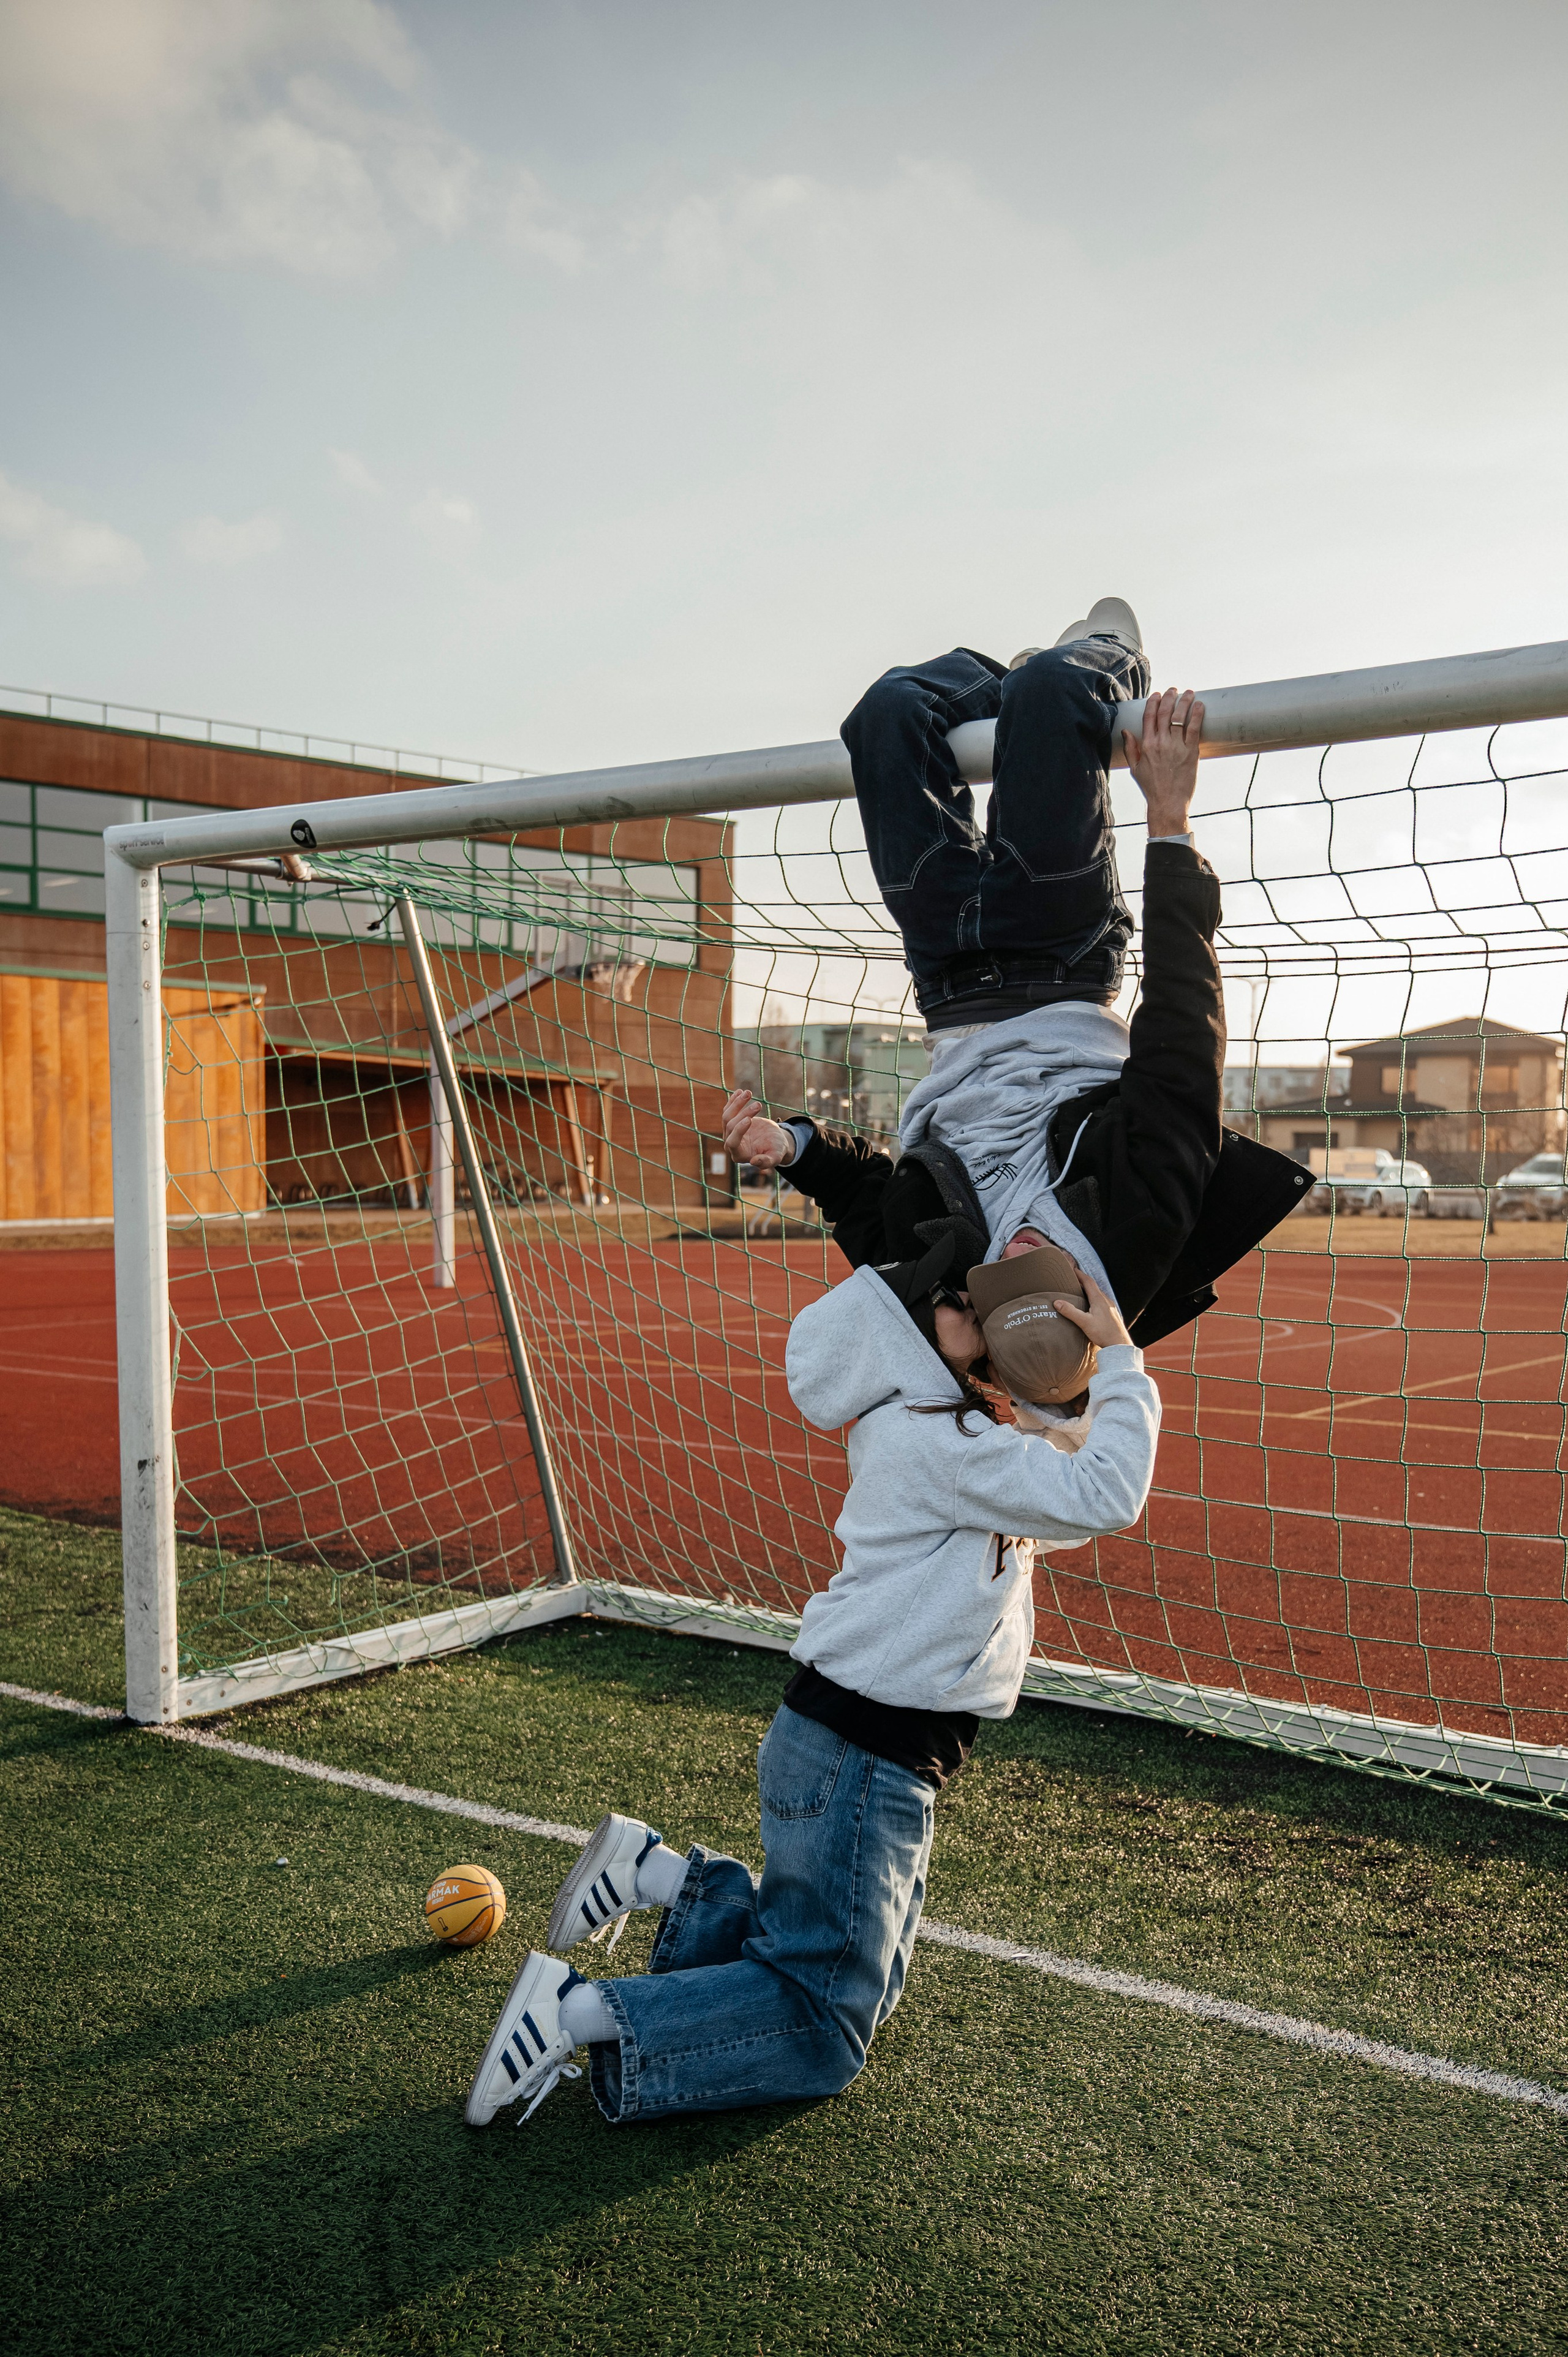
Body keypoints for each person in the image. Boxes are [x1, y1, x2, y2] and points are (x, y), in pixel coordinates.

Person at [464, 1237, 1160, 2129]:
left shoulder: (951, 1433)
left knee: (861, 1987)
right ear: (909, 1334)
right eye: (956, 1296)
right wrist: (1124, 1360)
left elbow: (1062, 1506)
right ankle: (571, 2014)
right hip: (863, 1752)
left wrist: (1052, 1382)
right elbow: (1105, 1496)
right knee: (824, 2026)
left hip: (855, 1748)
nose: (977, 1308)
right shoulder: (939, 1441)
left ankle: (668, 1879)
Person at [724, 597, 1310, 1359]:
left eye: (997, 1278)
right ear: (1095, 1303)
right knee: (1052, 693)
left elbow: (863, 1198)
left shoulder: (957, 1284)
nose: (1012, 1251)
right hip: (1057, 957)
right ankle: (1101, 654)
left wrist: (795, 1145)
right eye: (1040, 1266)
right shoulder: (1144, 1218)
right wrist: (1170, 818)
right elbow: (1181, 1033)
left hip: (944, 976)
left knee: (887, 714)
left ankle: (1022, 681)